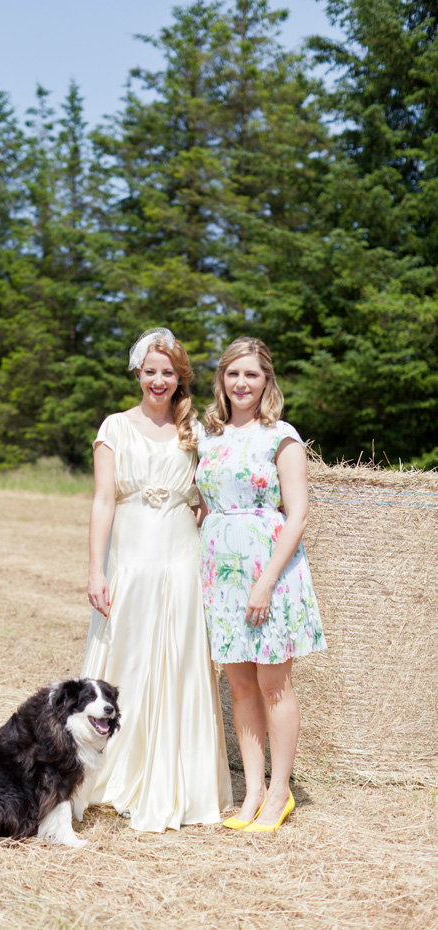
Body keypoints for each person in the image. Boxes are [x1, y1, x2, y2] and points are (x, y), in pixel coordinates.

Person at [81, 327, 232, 833]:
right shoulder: (114, 428)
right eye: (151, 371)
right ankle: (116, 775)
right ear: (138, 374)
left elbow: (209, 496)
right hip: (131, 559)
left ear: (179, 376)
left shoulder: (197, 431)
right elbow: (103, 501)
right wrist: (96, 569)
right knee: (131, 659)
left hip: (182, 559)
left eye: (168, 372)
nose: (159, 380)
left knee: (181, 661)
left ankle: (180, 781)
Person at [195, 337, 326, 833]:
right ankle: (250, 792)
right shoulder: (207, 436)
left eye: (252, 374)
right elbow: (207, 503)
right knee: (240, 685)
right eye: (233, 374)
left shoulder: (281, 436)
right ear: (221, 380)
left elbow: (297, 516)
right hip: (219, 573)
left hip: (269, 572)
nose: (242, 383)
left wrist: (266, 582)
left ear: (266, 380)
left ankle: (279, 793)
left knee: (273, 683)